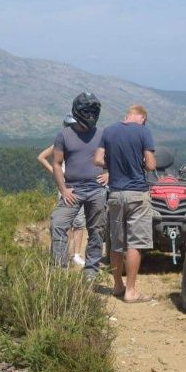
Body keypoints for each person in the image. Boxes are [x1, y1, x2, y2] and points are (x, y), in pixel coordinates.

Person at [94, 105, 156, 303]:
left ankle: (117, 286)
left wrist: (111, 165)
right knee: (135, 243)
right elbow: (151, 165)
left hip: (115, 193)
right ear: (142, 118)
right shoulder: (143, 131)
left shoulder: (108, 131)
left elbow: (97, 160)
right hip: (137, 193)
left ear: (127, 114)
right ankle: (131, 291)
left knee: (116, 242)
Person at [50, 93, 107, 277]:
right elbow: (57, 163)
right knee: (57, 223)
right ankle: (60, 270)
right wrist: (63, 189)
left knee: (97, 230)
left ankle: (91, 272)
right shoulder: (64, 135)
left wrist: (109, 174)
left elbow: (114, 159)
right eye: (86, 111)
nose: (90, 115)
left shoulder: (102, 134)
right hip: (72, 189)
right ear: (77, 111)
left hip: (97, 189)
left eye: (93, 111)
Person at [38, 114, 89, 266]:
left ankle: (75, 254)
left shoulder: (70, 142)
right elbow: (41, 157)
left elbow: (41, 157)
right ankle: (70, 253)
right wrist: (55, 172)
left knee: (78, 222)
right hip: (67, 186)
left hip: (74, 185)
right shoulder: (62, 143)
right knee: (71, 221)